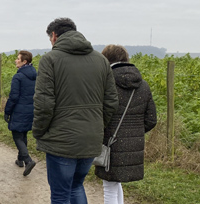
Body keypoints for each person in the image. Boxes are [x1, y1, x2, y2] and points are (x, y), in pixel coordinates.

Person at [32, 17, 119, 203]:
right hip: (91, 138)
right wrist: (96, 125)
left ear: (54, 36)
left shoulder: (50, 60)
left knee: (61, 192)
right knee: (76, 186)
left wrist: (39, 131)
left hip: (61, 140)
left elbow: (44, 103)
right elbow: (111, 102)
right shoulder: (101, 60)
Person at [96, 45, 157, 204]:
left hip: (111, 142)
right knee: (116, 183)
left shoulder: (105, 84)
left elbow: (100, 116)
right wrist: (133, 132)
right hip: (134, 143)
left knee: (109, 186)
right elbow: (151, 120)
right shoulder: (143, 85)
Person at [4, 50, 37, 176]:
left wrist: (7, 111)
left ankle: (28, 160)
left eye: (18, 59)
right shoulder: (36, 75)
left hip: (19, 109)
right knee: (23, 133)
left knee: (17, 135)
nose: (16, 60)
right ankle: (20, 159)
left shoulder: (18, 77)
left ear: (24, 61)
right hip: (31, 109)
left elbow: (13, 96)